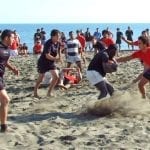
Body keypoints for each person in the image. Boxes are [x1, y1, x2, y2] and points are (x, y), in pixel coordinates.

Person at [0, 29, 19, 132]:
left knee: (4, 101)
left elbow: (5, 62)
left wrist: (13, 69)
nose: (14, 40)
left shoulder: (7, 49)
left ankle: (3, 126)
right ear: (6, 38)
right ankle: (4, 127)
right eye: (12, 37)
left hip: (1, 77)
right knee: (5, 100)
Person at [34, 29, 61, 98]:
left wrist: (60, 57)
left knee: (56, 77)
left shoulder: (58, 43)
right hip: (43, 62)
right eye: (57, 36)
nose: (59, 37)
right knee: (40, 79)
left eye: (59, 36)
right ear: (52, 36)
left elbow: (59, 50)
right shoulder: (48, 43)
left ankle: (49, 93)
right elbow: (47, 56)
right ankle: (35, 92)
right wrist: (56, 59)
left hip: (51, 62)